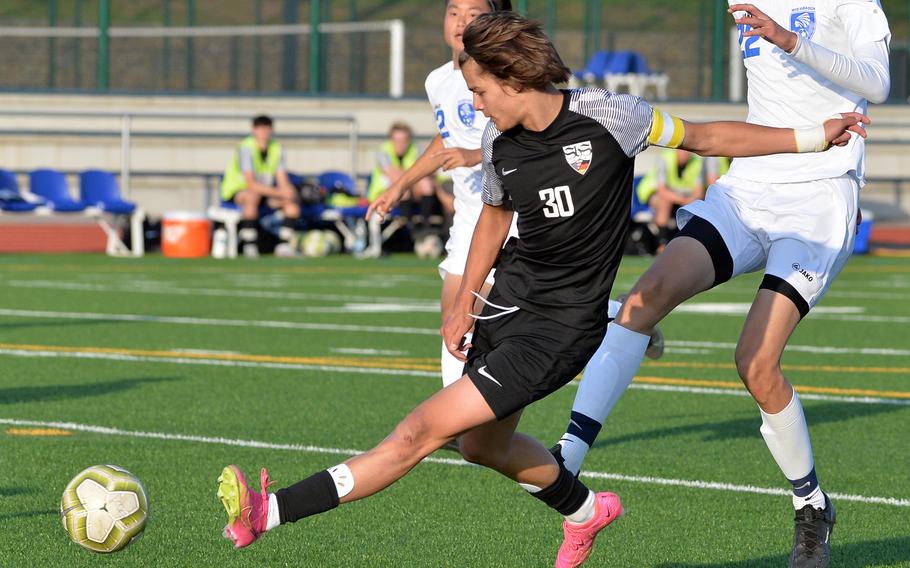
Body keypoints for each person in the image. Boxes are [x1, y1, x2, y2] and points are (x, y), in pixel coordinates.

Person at [216, 12, 867, 568]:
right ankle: (585, 510)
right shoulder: (500, 143)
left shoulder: (614, 117)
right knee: (482, 446)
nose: (473, 103)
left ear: (514, 78)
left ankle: (266, 512)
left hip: (558, 329)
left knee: (420, 432)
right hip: (504, 307)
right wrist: (465, 302)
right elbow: (494, 224)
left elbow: (708, 138)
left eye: (478, 89)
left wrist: (813, 137)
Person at [551, 2, 889, 567]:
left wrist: (788, 38)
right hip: (752, 182)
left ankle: (811, 505)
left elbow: (877, 85)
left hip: (821, 189)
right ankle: (569, 455)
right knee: (644, 299)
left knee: (755, 363)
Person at [368, 0, 517, 388]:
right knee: (454, 311)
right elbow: (445, 136)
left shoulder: (509, 76)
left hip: (511, 212)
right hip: (469, 215)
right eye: (453, 12)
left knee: (484, 311)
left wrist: (473, 154)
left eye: (473, 12)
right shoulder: (437, 82)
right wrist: (399, 185)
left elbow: (525, 136)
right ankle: (452, 413)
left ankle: (616, 316)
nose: (461, 21)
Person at [220, 115, 300, 258]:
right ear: (254, 130)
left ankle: (283, 245)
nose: (264, 133)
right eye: (260, 129)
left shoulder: (276, 148)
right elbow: (250, 184)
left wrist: (288, 192)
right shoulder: (246, 147)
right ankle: (249, 244)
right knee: (252, 197)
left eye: (267, 129)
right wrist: (278, 192)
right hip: (238, 192)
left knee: (291, 205)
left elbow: (282, 179)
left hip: (265, 193)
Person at [636, 149, 708, 247]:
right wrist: (683, 200)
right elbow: (662, 191)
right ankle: (662, 244)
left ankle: (691, 244)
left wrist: (689, 200)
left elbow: (699, 192)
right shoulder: (665, 158)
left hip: (681, 197)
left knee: (697, 204)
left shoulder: (697, 161)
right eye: (682, 150)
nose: (684, 153)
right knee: (664, 202)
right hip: (653, 193)